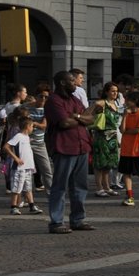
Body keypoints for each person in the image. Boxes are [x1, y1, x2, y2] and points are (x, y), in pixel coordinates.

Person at [44, 70, 96, 234]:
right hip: (64, 147)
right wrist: (81, 117)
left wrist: (77, 116)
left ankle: (77, 220)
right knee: (59, 186)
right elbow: (64, 122)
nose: (76, 83)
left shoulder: (75, 99)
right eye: (72, 81)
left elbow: (91, 119)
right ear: (62, 83)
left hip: (82, 147)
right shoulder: (53, 101)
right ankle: (56, 222)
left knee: (80, 186)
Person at [3, 109, 39, 215]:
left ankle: (32, 205)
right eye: (32, 126)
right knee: (17, 187)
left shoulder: (26, 137)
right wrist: (16, 158)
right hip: (19, 168)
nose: (32, 128)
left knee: (28, 187)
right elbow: (6, 146)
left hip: (27, 167)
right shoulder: (18, 136)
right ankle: (13, 206)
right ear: (27, 127)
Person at [91, 81, 123, 196]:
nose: (115, 93)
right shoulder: (101, 103)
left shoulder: (116, 104)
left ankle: (107, 187)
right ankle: (99, 188)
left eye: (116, 91)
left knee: (109, 164)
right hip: (101, 136)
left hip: (113, 137)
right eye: (112, 91)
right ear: (106, 92)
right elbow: (90, 113)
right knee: (100, 163)